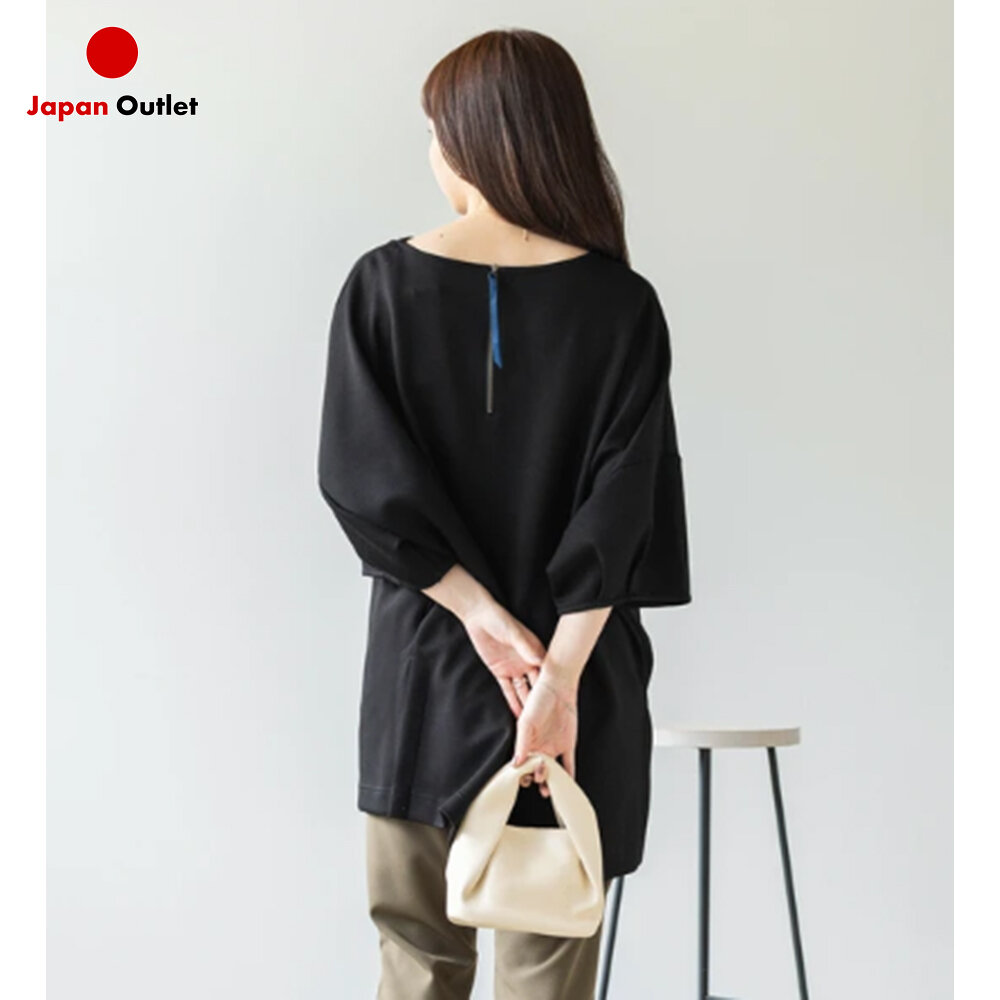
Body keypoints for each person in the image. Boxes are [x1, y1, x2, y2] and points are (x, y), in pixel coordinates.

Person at [317, 27, 692, 1000]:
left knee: (417, 962)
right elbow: (625, 508)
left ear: (468, 140)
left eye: (433, 131)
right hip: (576, 694)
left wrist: (479, 616)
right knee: (549, 969)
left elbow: (362, 482)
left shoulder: (382, 287)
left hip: (426, 681)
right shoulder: (623, 306)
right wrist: (555, 681)